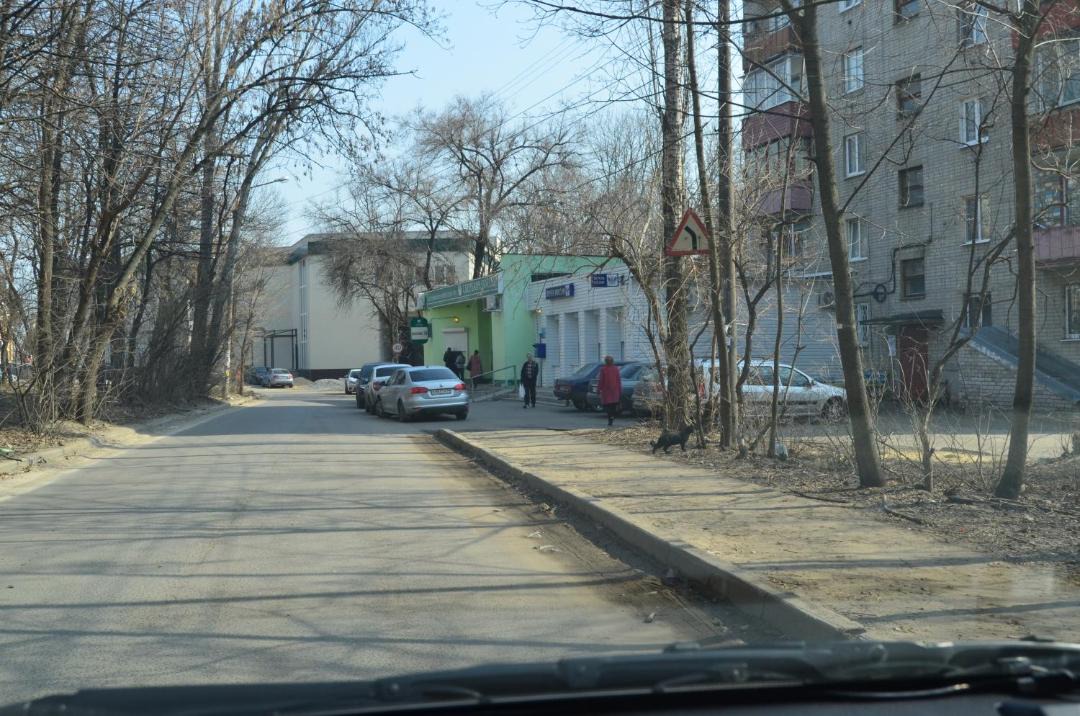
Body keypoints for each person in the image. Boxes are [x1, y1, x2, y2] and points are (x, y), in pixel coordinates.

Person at [597, 355, 622, 427]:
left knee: (607, 406)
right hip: (615, 390)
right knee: (613, 405)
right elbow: (618, 380)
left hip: (606, 390)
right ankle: (612, 417)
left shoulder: (603, 369)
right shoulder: (616, 369)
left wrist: (599, 389)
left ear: (606, 362)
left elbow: (601, 380)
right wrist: (620, 390)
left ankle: (610, 419)